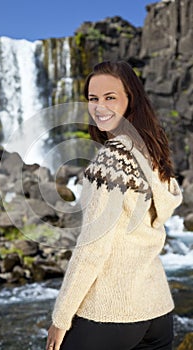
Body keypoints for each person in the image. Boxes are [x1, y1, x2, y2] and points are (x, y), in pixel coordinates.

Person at [46, 60, 182, 350]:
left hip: (110, 313)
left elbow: (93, 246)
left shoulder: (113, 159)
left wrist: (61, 318)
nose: (99, 107)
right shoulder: (150, 150)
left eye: (110, 97)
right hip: (156, 312)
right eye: (93, 99)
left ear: (130, 101)